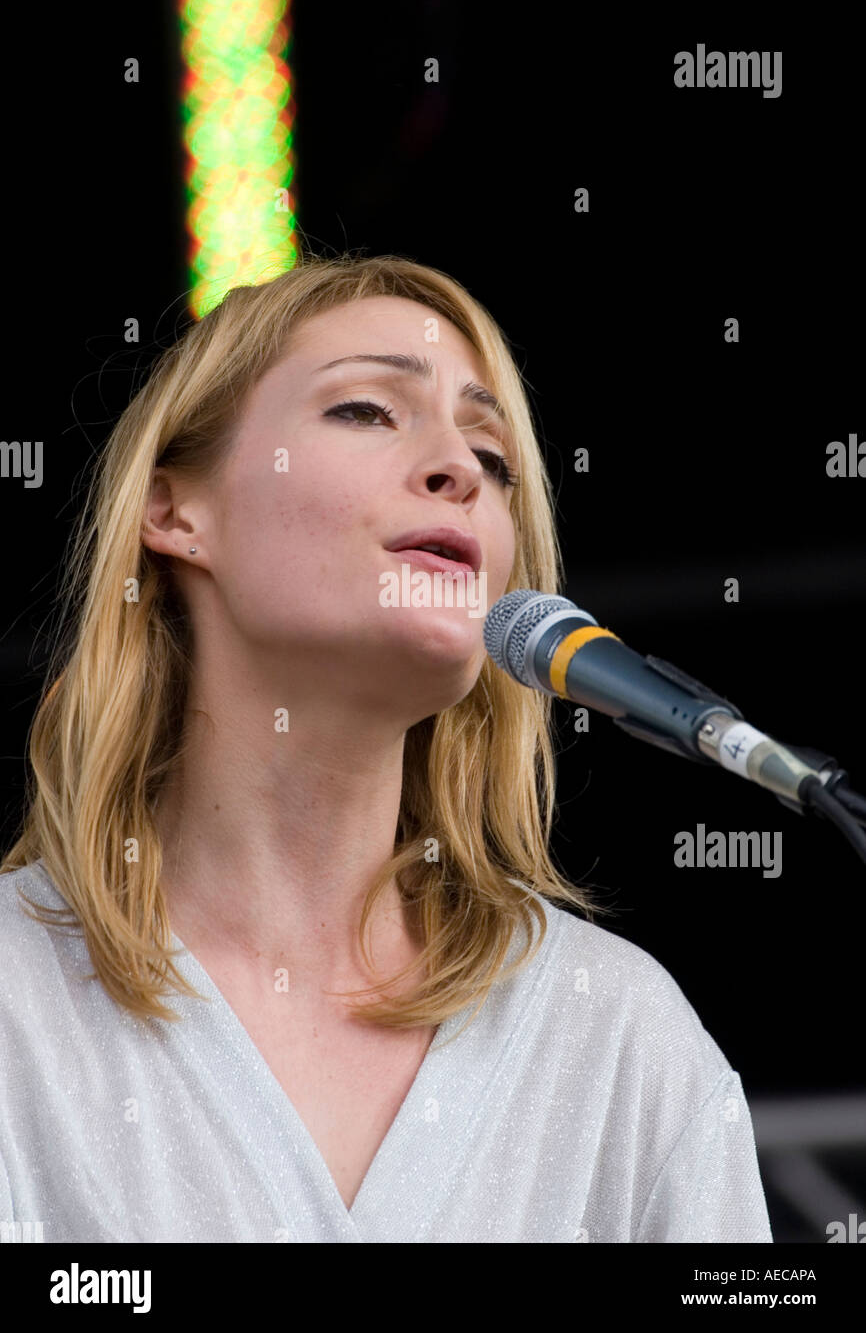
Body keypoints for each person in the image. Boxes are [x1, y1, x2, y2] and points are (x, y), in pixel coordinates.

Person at [0, 253, 772, 1242]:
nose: (457, 468)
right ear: (175, 511)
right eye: (365, 410)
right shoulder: (19, 1006)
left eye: (492, 461)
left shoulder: (618, 1035)